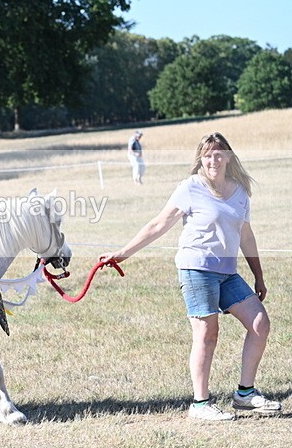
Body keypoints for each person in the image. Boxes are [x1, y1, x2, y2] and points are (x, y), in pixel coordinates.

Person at [99, 132, 281, 421]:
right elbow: (158, 224)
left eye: (219, 154)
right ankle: (200, 404)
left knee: (260, 323)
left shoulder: (240, 192)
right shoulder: (190, 188)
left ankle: (245, 393)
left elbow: (246, 235)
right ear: (201, 158)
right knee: (207, 334)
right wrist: (122, 253)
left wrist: (259, 276)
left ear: (229, 157)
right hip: (196, 268)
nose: (213, 159)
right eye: (207, 154)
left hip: (227, 272)